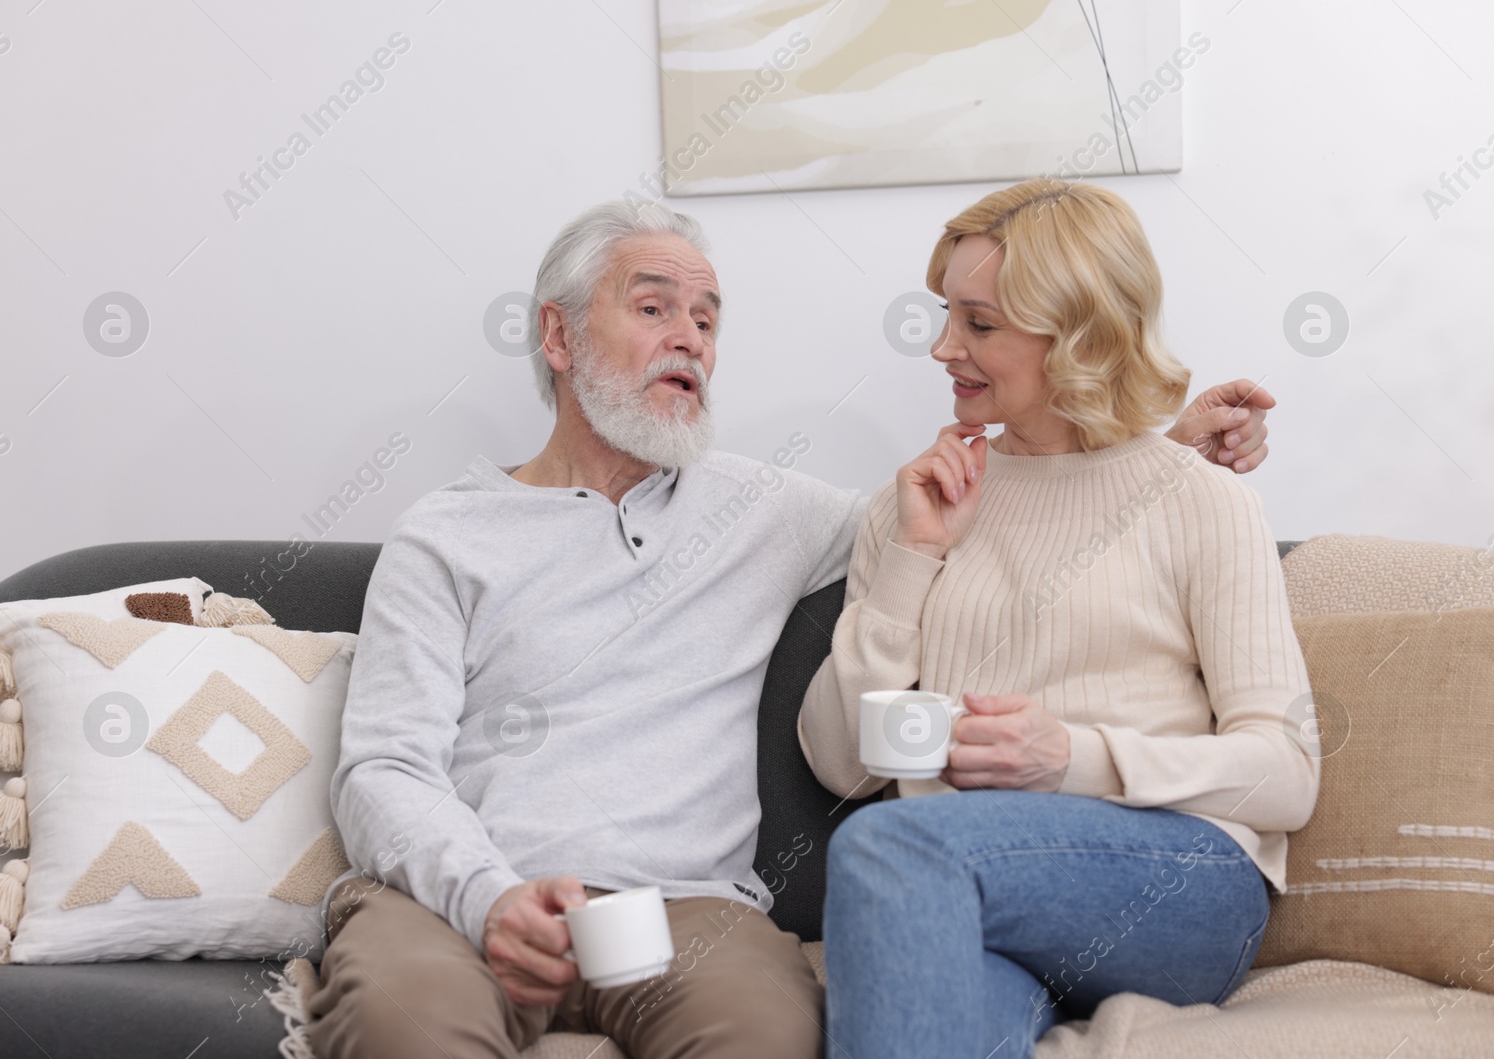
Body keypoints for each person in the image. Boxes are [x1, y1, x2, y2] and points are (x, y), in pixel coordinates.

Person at [305, 197, 1279, 1059]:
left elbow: (992, 509)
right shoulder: (446, 535)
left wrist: (1152, 453)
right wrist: (485, 894)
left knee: (769, 1034)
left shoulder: (762, 509)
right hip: (460, 896)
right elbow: (383, 768)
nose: (688, 336)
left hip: (681, 907)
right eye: (653, 309)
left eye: (706, 316)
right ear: (557, 338)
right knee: (405, 1025)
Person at [798, 179, 1320, 1059]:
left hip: (1179, 881)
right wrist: (914, 557)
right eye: (945, 314)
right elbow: (839, 762)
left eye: (980, 324)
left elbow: (1288, 773)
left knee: (888, 848)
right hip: (969, 891)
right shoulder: (917, 504)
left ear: (1078, 335)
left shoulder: (1200, 499)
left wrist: (1071, 757)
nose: (942, 347)